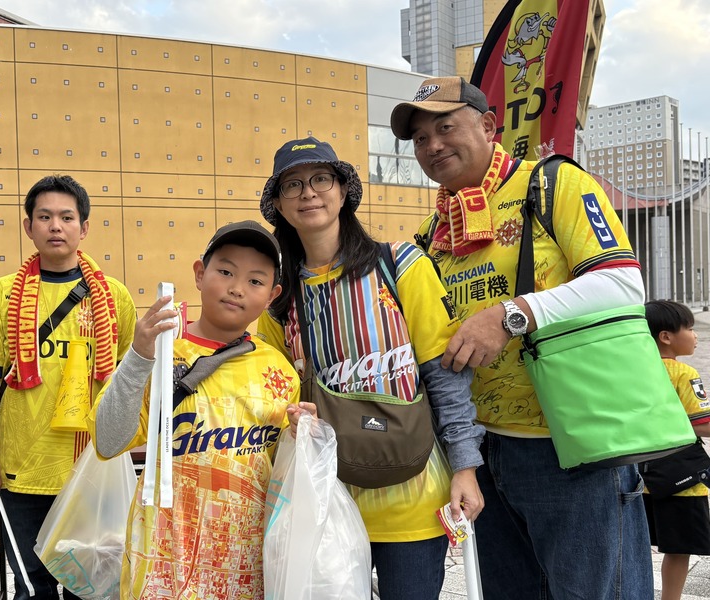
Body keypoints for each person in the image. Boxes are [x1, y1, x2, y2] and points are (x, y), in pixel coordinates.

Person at [392, 75, 651, 598]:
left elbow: (623, 284)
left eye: (445, 127)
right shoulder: (428, 232)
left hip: (569, 447)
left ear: (489, 126)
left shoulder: (553, 184)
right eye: (420, 138)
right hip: (480, 457)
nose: (433, 145)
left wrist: (511, 314)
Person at [254, 136, 485, 599]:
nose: (308, 193)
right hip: (327, 502)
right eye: (292, 185)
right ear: (278, 204)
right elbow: (274, 397)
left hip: (415, 495)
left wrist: (465, 466)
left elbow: (442, 373)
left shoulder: (399, 265)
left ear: (343, 190)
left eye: (321, 178)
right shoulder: (278, 300)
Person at [88, 220, 300, 599]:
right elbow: (108, 440)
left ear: (272, 295)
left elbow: (283, 477)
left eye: (255, 281)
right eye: (225, 271)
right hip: (160, 561)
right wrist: (138, 357)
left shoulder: (279, 372)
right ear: (200, 275)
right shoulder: (159, 351)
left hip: (242, 565)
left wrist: (304, 434)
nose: (237, 288)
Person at [0, 174, 137, 599]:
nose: (55, 226)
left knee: (90, 587)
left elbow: (131, 382)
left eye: (66, 217)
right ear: (29, 227)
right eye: (44, 217)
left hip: (90, 472)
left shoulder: (115, 297)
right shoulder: (3, 294)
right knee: (29, 586)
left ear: (84, 227)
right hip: (21, 474)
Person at [643, 299, 709, 600]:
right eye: (691, 329)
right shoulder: (683, 374)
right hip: (680, 479)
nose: (695, 336)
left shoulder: (635, 372)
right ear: (666, 336)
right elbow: (703, 424)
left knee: (638, 544)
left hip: (639, 476)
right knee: (679, 548)